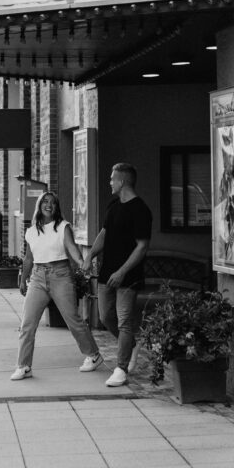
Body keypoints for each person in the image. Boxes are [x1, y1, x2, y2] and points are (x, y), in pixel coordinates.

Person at [11, 191, 102, 381]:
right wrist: (22, 279)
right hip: (37, 277)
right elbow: (28, 258)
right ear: (39, 205)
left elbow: (71, 248)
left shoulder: (62, 227)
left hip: (60, 275)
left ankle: (93, 355)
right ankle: (23, 366)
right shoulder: (31, 231)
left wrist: (81, 262)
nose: (49, 205)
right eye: (45, 201)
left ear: (56, 207)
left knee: (73, 320)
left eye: (52, 203)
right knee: (27, 323)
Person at [83, 162, 152, 387]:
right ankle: (131, 344)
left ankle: (121, 369)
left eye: (112, 179)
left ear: (122, 181)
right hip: (106, 274)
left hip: (128, 277)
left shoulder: (141, 210)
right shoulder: (113, 205)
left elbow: (142, 246)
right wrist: (89, 256)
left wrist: (122, 271)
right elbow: (104, 234)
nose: (110, 182)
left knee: (124, 322)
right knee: (105, 317)